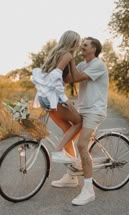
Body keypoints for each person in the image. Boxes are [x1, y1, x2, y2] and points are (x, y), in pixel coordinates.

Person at [51, 37, 109, 206]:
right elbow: (68, 78)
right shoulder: (83, 65)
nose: (82, 45)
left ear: (95, 48)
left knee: (82, 145)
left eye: (86, 44)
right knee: (67, 135)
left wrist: (70, 56)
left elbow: (75, 76)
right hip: (83, 109)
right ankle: (71, 176)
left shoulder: (98, 64)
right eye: (81, 43)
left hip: (94, 111)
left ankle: (89, 190)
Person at [32, 30, 82, 162]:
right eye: (78, 43)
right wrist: (65, 99)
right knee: (79, 122)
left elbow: (64, 78)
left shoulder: (56, 54)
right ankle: (58, 151)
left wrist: (83, 75)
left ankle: (72, 164)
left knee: (67, 130)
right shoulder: (67, 55)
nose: (79, 45)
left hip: (44, 98)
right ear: (73, 43)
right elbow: (55, 77)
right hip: (53, 99)